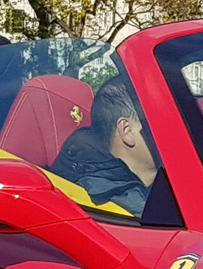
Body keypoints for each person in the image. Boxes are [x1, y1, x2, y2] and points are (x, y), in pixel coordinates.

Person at [50, 76, 157, 211]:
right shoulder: (108, 198)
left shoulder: (162, 187)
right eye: (158, 120)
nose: (176, 128)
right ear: (127, 130)